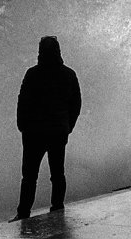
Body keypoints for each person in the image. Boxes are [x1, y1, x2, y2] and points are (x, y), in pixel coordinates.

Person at [14, 35, 81, 219]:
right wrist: (68, 126)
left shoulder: (33, 74)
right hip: (57, 131)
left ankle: (23, 213)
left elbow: (23, 101)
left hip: (34, 132)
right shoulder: (68, 74)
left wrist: (22, 125)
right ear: (58, 51)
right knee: (57, 173)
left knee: (29, 177)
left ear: (40, 52)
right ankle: (57, 208)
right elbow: (76, 104)